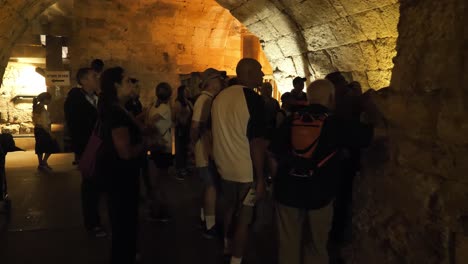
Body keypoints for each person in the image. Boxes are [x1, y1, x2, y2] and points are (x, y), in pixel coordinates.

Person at [270, 79, 373, 264]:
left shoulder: (290, 119)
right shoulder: (336, 123)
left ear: (309, 98)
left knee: (287, 244)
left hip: (287, 192)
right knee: (317, 246)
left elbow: (273, 152)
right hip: (320, 194)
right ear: (331, 98)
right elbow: (370, 136)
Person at [211, 58, 267, 264]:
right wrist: (261, 178)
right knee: (245, 217)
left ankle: (226, 243)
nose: (262, 75)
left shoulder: (219, 97)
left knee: (228, 207)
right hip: (245, 169)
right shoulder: (253, 99)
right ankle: (236, 259)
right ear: (249, 73)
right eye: (259, 71)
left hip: (224, 166)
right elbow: (257, 141)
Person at [97, 67, 145, 264]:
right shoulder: (115, 112)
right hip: (121, 177)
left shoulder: (114, 108)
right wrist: (146, 144)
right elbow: (125, 152)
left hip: (117, 176)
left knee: (122, 223)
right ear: (115, 86)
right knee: (123, 224)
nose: (131, 85)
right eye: (127, 82)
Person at [64, 67, 105, 237]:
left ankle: (97, 219)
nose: (97, 79)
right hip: (88, 148)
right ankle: (92, 223)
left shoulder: (96, 98)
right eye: (94, 77)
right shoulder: (75, 101)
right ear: (83, 80)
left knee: (97, 185)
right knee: (90, 186)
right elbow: (79, 127)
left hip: (99, 148)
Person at [191, 68, 227, 238]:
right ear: (211, 82)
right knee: (211, 186)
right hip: (206, 151)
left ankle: (205, 218)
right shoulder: (204, 100)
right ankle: (210, 226)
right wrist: (198, 147)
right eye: (219, 79)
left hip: (205, 150)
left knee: (208, 186)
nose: (221, 82)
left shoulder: (208, 99)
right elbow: (196, 127)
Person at [145, 82, 173, 221]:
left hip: (154, 146)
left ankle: (157, 209)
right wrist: (157, 136)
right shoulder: (165, 108)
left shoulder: (153, 107)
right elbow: (150, 122)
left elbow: (147, 121)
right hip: (162, 146)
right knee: (161, 181)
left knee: (156, 181)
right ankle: (161, 211)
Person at [32, 92, 59, 171]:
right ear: (45, 100)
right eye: (49, 99)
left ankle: (41, 163)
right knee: (51, 146)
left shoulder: (37, 107)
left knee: (40, 147)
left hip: (38, 129)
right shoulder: (42, 109)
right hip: (43, 130)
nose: (50, 101)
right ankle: (43, 162)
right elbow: (44, 123)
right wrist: (50, 133)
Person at [173, 85, 193, 180]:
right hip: (181, 129)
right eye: (186, 90)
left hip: (187, 128)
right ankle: (179, 169)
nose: (188, 91)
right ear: (182, 92)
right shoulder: (178, 103)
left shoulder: (188, 102)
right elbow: (175, 116)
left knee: (185, 148)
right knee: (180, 149)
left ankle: (184, 167)